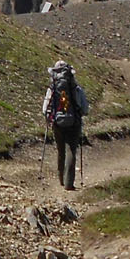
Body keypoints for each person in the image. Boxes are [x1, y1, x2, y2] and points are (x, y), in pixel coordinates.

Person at [44, 60, 89, 189]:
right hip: (74, 123)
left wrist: (48, 119)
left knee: (61, 151)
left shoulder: (52, 89)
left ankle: (61, 179)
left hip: (57, 123)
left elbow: (45, 108)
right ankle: (69, 183)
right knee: (71, 151)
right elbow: (85, 109)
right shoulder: (76, 89)